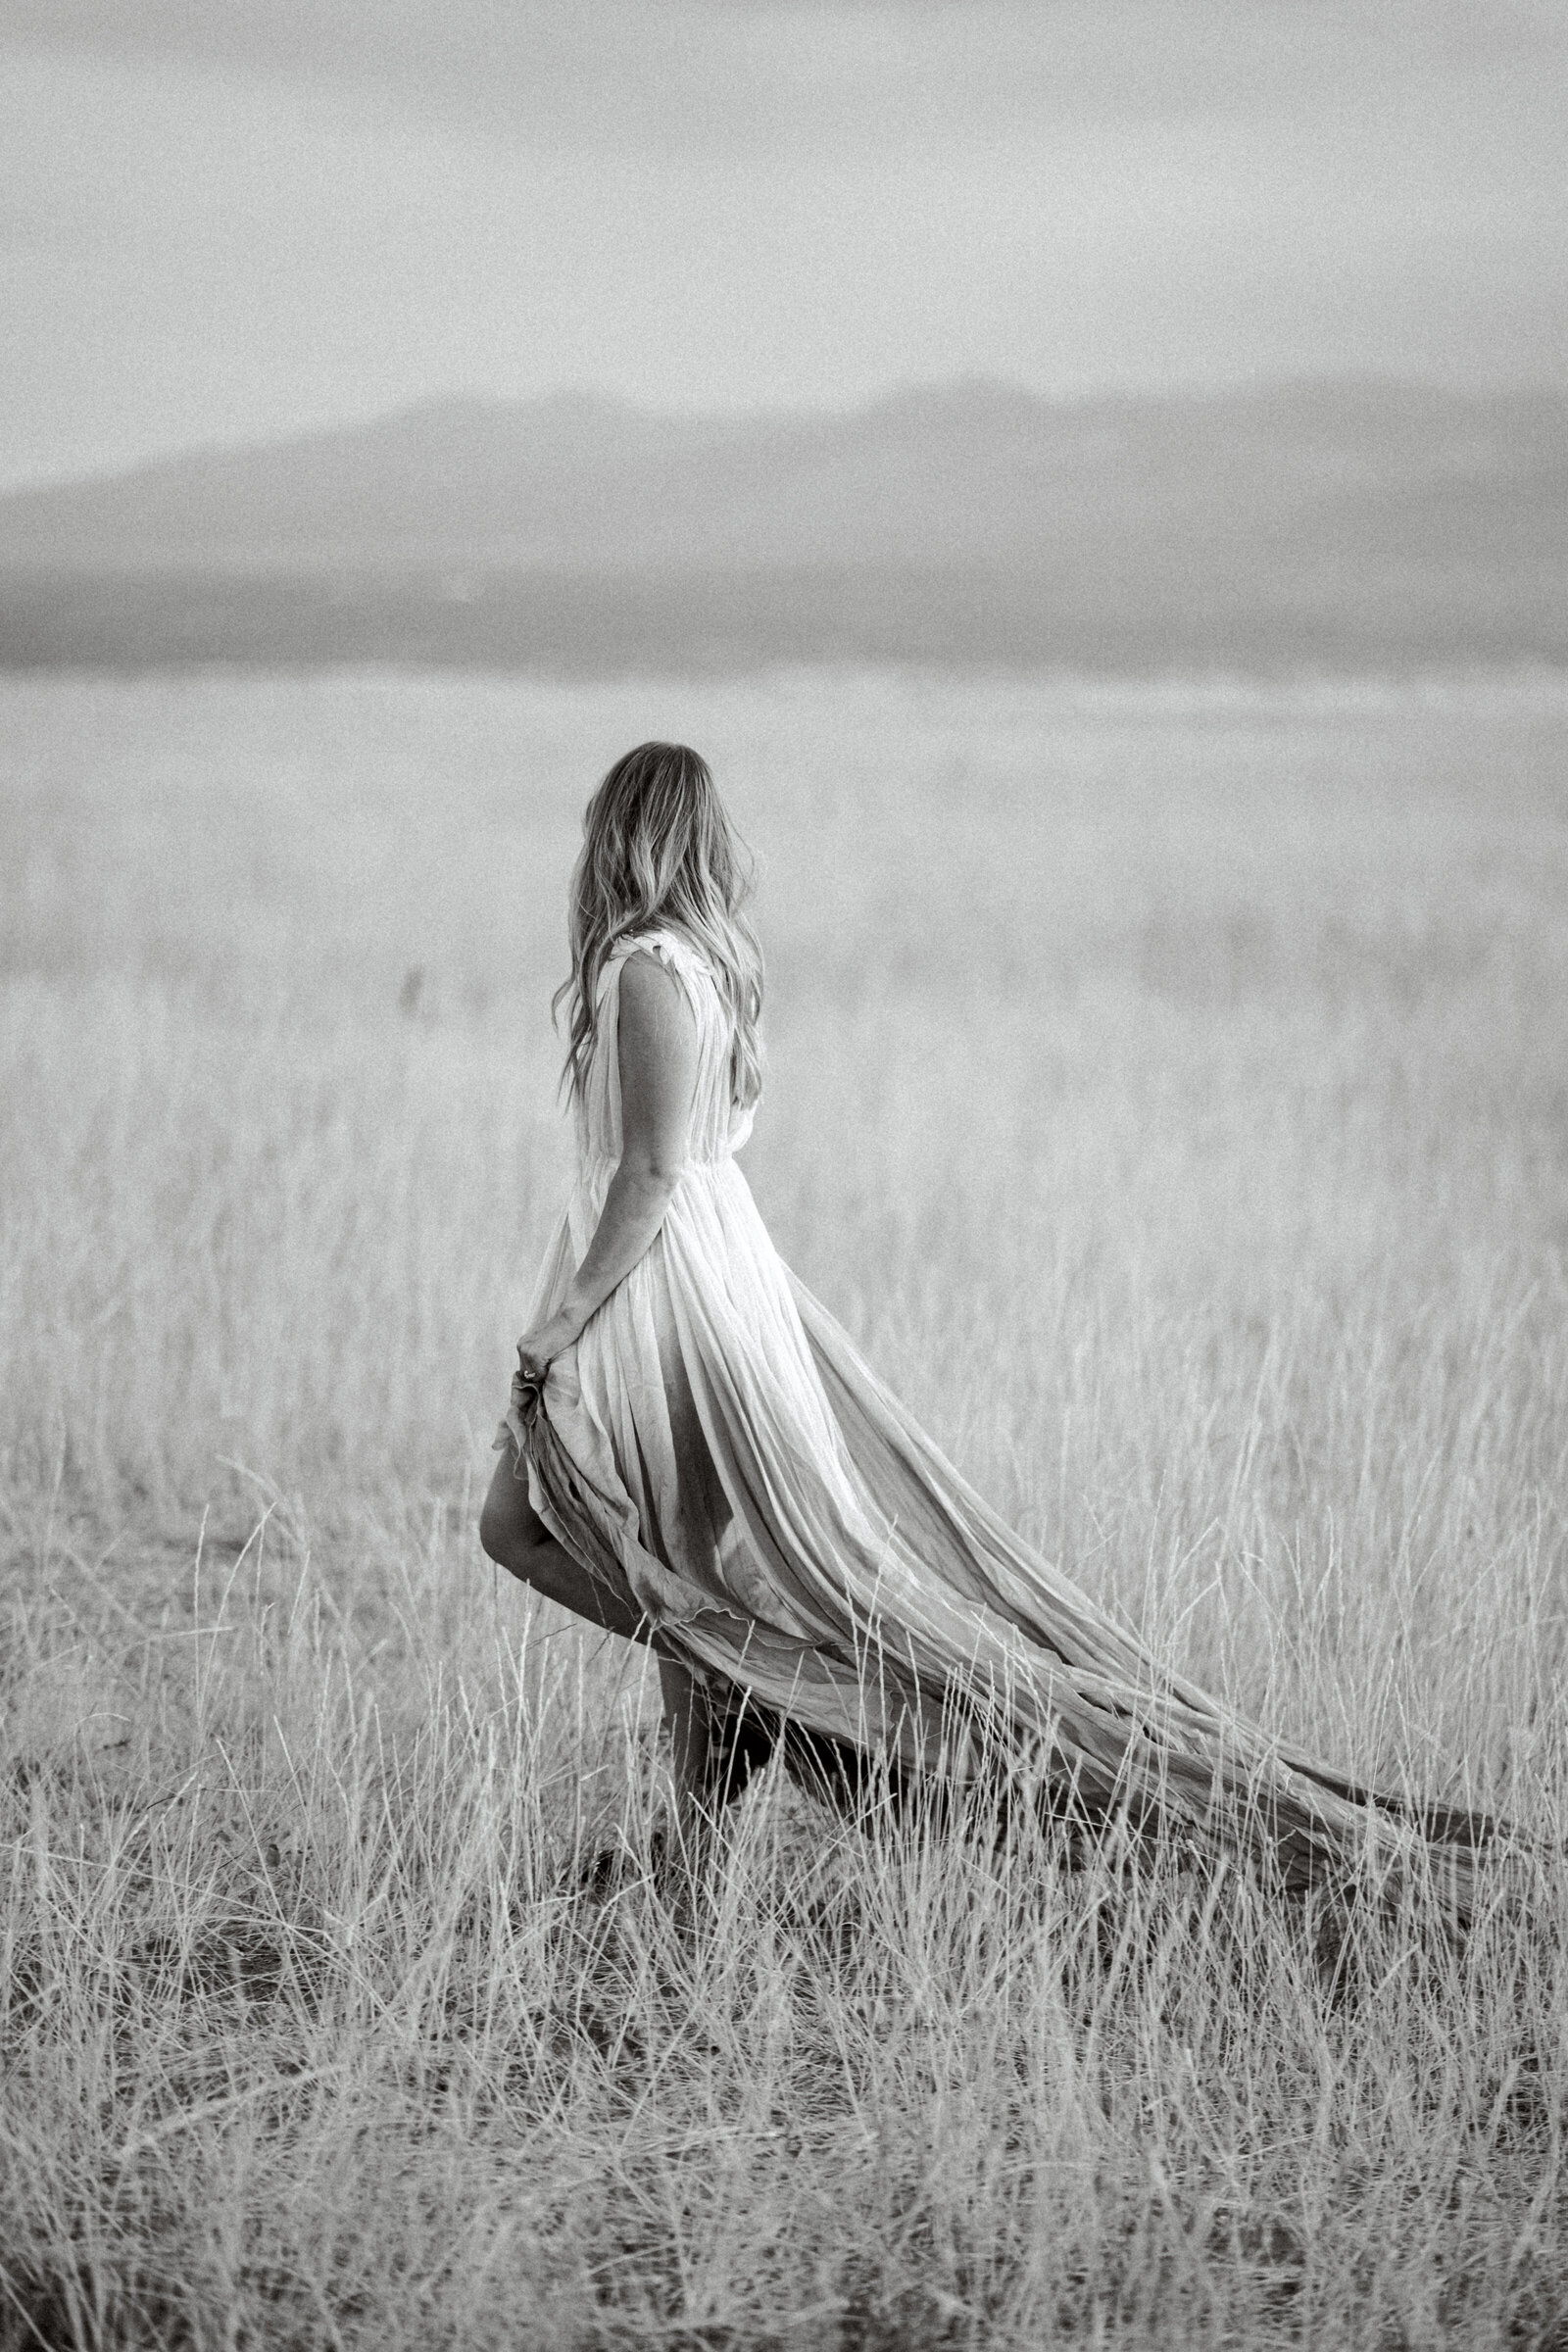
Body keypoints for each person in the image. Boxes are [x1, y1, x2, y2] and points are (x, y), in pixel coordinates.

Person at [479, 742, 1501, 1905]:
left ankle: (735, 1747)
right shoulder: (707, 964)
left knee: (530, 1534)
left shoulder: (646, 969)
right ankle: (699, 1848)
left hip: (668, 1307)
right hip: (711, 1290)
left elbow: (654, 1171)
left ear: (621, 833)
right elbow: (649, 1165)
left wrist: (557, 1325)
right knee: (669, 1575)